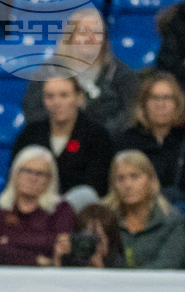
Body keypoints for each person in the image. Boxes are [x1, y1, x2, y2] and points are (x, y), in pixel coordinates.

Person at [22, 8, 138, 136]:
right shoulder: (48, 71)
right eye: (82, 32)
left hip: (107, 143)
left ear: (104, 39)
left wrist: (98, 138)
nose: (89, 38)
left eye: (96, 32)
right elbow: (32, 112)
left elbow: (130, 116)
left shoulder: (121, 74)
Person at [12, 77, 115, 197]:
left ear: (79, 98)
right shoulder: (30, 134)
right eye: (50, 96)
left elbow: (99, 185)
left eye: (64, 95)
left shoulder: (97, 136)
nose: (57, 102)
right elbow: (16, 176)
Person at [0, 145, 76, 266]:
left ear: (50, 179)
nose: (32, 178)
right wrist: (36, 260)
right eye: (27, 171)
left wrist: (8, 240)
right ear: (15, 173)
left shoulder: (61, 210)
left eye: (40, 174)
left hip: (46, 276)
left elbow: (61, 247)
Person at [102, 149, 185, 269]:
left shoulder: (173, 222)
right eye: (120, 178)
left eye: (134, 176)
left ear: (151, 180)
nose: (127, 185)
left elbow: (168, 265)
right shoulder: (104, 220)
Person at [116, 72, 185, 198]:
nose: (160, 104)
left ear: (177, 103)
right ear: (144, 104)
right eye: (154, 98)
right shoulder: (128, 142)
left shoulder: (182, 139)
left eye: (167, 98)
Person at [51, 203, 125, 268]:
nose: (86, 244)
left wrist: (100, 269)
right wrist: (58, 260)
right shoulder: (70, 258)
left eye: (95, 238)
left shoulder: (117, 261)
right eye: (84, 237)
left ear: (108, 242)